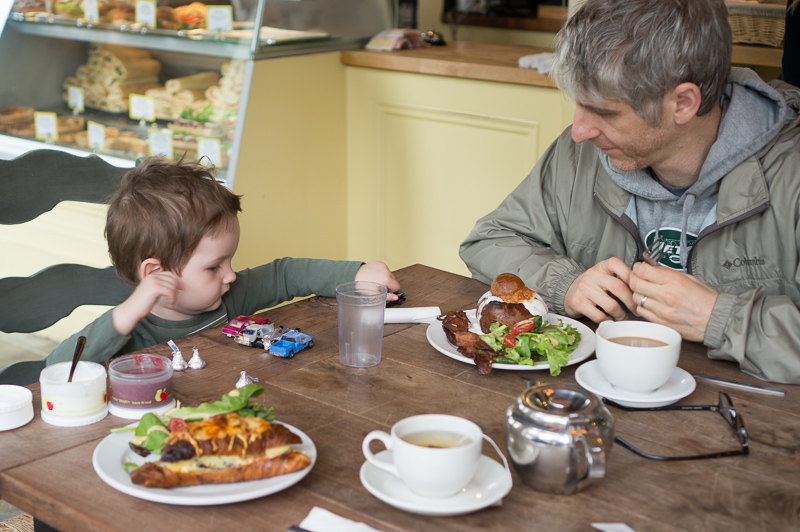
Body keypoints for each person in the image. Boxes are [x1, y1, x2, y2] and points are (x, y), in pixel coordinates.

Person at [459, 0, 800, 384]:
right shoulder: (581, 154)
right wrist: (565, 283)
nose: (579, 131)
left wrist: (721, 318)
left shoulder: (792, 175)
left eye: (604, 112)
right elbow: (490, 238)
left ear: (683, 102)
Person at [45, 157, 400, 365]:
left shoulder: (228, 296)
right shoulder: (130, 332)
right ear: (156, 274)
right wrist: (122, 316)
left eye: (229, 262)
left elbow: (287, 274)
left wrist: (357, 272)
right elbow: (56, 368)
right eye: (214, 267)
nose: (230, 276)